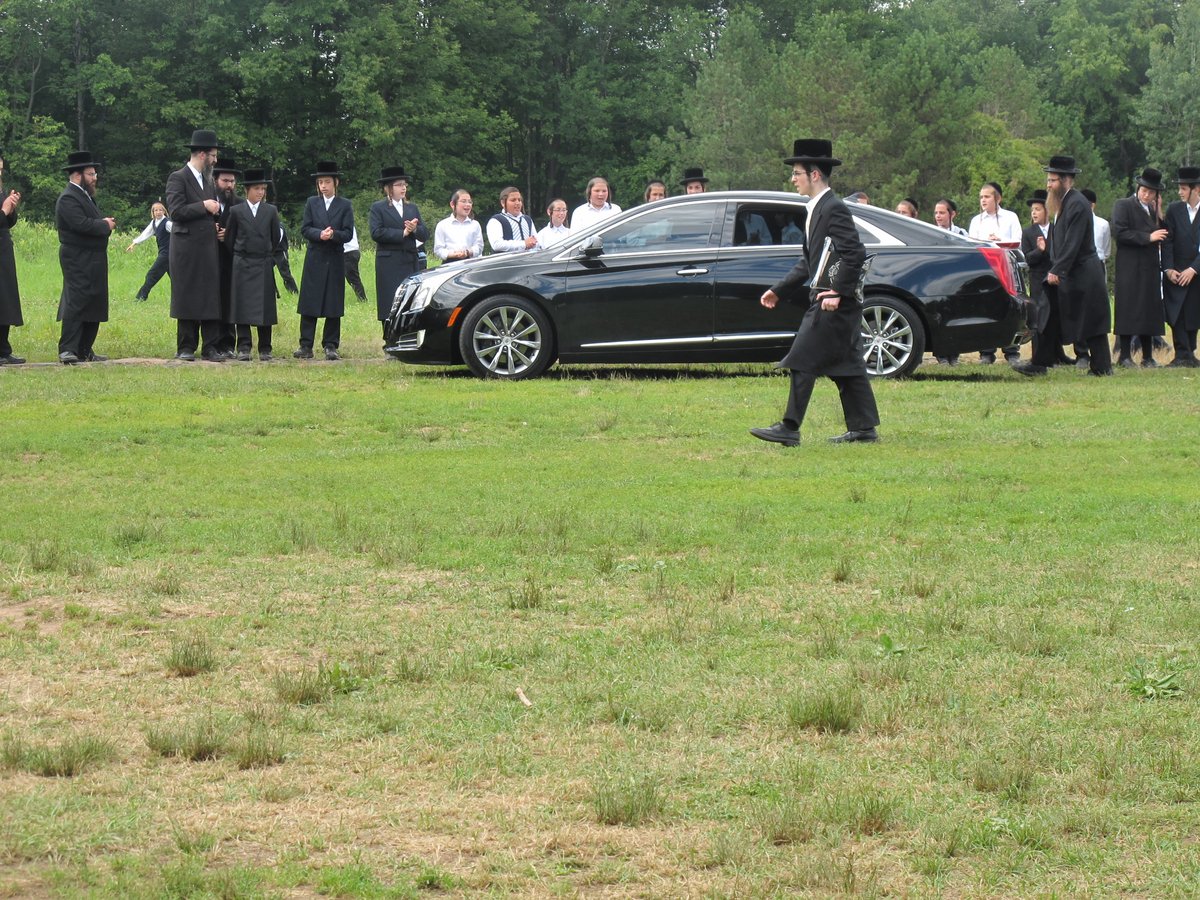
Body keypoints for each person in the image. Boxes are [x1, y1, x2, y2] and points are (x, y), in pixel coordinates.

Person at [751, 138, 880, 447]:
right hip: (834, 301)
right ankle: (863, 429)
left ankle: (790, 427)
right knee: (848, 366)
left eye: (797, 173)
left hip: (832, 303)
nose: (793, 179)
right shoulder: (816, 208)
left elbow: (855, 253)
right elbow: (808, 262)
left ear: (815, 175)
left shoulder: (832, 208)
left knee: (801, 358)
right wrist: (778, 290)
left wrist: (837, 290)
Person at [1016, 155, 1112, 376]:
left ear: (1067, 180)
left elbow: (1073, 243)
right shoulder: (1063, 203)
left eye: (1053, 180)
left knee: (1091, 321)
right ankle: (1040, 363)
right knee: (1048, 316)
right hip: (1070, 272)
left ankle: (1102, 367)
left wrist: (1056, 270)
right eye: (1048, 180)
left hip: (1082, 273)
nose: (1048, 185)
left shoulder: (1077, 204)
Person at [165, 128, 223, 362]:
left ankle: (211, 347)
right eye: (213, 155)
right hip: (186, 249)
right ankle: (186, 346)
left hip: (208, 248)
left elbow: (209, 211)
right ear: (201, 154)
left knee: (210, 296)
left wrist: (216, 224)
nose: (215, 160)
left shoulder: (208, 182)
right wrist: (204, 206)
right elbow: (176, 211)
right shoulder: (178, 177)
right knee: (187, 296)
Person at [224, 168, 291, 361]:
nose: (260, 192)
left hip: (262, 262)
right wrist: (241, 254)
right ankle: (244, 347)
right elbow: (229, 239)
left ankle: (265, 348)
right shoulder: (236, 211)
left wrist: (265, 255)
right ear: (247, 190)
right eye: (257, 189)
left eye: (263, 189)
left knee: (265, 307)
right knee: (242, 306)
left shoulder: (270, 211)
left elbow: (275, 238)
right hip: (242, 263)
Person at [55, 150, 114, 364]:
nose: (94, 178)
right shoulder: (68, 197)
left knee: (94, 299)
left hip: (94, 257)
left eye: (95, 174)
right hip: (76, 256)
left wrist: (103, 223)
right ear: (78, 175)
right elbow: (81, 224)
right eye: (91, 174)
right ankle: (68, 349)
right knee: (77, 299)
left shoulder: (85, 195)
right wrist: (104, 225)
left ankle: (84, 348)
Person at [296, 160, 354, 360]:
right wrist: (319, 234)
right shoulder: (312, 202)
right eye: (320, 182)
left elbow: (347, 233)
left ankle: (331, 345)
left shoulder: (345, 205)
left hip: (335, 258)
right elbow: (305, 229)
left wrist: (333, 235)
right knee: (309, 302)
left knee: (333, 303)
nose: (323, 186)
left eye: (327, 182)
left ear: (335, 183)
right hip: (315, 257)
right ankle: (305, 345)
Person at [1111, 167, 1168, 368]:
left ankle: (1147, 356)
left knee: (1148, 310)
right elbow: (1120, 232)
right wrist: (1147, 237)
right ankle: (1124, 355)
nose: (1146, 194)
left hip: (1150, 268)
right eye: (1144, 190)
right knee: (1128, 308)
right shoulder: (1123, 205)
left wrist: (1159, 211)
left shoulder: (1152, 210)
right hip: (1130, 267)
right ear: (1138, 187)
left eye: (1151, 192)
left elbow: (1165, 231)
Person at [368, 166, 427, 339]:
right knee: (389, 301)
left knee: (410, 301)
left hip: (409, 260)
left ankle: (408, 337)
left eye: (405, 184)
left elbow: (425, 234)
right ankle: (389, 341)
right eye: (399, 185)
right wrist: (402, 233)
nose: (403, 188)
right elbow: (376, 232)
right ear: (388, 188)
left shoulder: (412, 208)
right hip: (388, 261)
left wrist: (415, 229)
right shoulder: (378, 208)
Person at [969, 181, 1022, 363]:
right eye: (981, 197)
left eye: (987, 196)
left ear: (997, 198)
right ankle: (986, 351)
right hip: (985, 271)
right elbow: (971, 244)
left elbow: (1018, 241)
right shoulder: (976, 220)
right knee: (985, 309)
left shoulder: (1010, 217)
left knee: (1009, 307)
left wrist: (1000, 240)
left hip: (1005, 269)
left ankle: (1012, 351)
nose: (983, 200)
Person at [1161, 165, 1200, 367]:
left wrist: (1193, 269)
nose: (1180, 192)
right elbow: (1167, 241)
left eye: (1184, 188)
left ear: (1197, 189)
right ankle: (1180, 353)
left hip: (1196, 272)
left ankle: (1190, 353)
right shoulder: (1174, 209)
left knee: (1193, 312)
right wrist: (1168, 269)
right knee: (1177, 312)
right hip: (1176, 271)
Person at [1074, 188, 1111, 368]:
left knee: (1096, 309)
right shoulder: (1072, 219)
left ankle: (1100, 358)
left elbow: (1106, 249)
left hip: (1097, 265)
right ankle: (1081, 352)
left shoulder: (1102, 224)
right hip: (1078, 267)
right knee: (1079, 309)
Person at [1019, 189, 1055, 367]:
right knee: (1038, 318)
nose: (1034, 213)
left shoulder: (1056, 229)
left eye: (1038, 209)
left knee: (1055, 317)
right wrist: (1039, 250)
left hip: (1054, 278)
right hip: (1037, 279)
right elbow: (1026, 258)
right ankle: (1038, 356)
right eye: (1032, 209)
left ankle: (1056, 354)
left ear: (1047, 210)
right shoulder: (1028, 233)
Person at [213, 156, 244, 357]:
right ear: (215, 181)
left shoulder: (239, 205)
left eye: (232, 181)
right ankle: (212, 343)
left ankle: (228, 344)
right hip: (210, 261)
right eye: (225, 181)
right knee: (212, 303)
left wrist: (228, 237)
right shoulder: (208, 203)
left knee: (229, 303)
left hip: (232, 262)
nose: (229, 185)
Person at [0, 150, 25, 365]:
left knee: (6, 298)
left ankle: (4, 349)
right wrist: (3, 210)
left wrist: (11, 208)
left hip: (3, 248)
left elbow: (7, 222)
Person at [126, 201, 172, 302]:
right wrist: (134, 243)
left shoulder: (167, 223)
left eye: (160, 210)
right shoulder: (154, 223)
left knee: (152, 274)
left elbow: (178, 233)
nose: (158, 212)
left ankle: (141, 297)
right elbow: (145, 234)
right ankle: (184, 298)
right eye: (156, 210)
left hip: (167, 254)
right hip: (163, 253)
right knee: (176, 279)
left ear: (164, 211)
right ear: (153, 212)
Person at [432, 189, 483, 262]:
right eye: (463, 201)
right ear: (453, 204)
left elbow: (479, 246)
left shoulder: (475, 224)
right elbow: (438, 249)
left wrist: (468, 252)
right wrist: (453, 254)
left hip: (471, 263)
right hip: (449, 264)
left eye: (470, 202)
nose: (468, 204)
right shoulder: (442, 225)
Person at [486, 186, 537, 253]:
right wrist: (523, 244)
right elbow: (496, 244)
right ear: (503, 203)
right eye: (513, 200)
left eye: (519, 200)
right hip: (506, 262)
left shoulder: (527, 219)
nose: (517, 203)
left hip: (527, 261)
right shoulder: (496, 220)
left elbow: (536, 241)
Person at [343, 228, 368, 302]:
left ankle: (362, 299)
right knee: (351, 278)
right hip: (351, 251)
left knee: (353, 278)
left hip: (348, 251)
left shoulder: (344, 220)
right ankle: (362, 298)